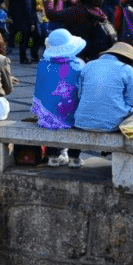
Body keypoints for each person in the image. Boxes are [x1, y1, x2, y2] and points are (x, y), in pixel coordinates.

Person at [31, 29, 87, 166]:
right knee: (78, 117)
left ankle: (52, 156)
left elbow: (38, 90)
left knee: (49, 113)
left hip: (50, 113)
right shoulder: (79, 65)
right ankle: (75, 158)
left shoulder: (43, 65)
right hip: (72, 113)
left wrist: (37, 110)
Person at [73, 42, 133, 143]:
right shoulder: (126, 69)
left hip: (81, 122)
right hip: (111, 125)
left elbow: (80, 95)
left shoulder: (88, 65)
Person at [44, 0, 112, 62]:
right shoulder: (96, 9)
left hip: (81, 51)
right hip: (94, 49)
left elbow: (52, 15)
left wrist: (49, 1)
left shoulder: (78, 12)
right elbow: (80, 7)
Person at [8, 0, 37, 64]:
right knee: (25, 40)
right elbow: (29, 10)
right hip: (26, 21)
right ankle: (24, 58)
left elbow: (11, 6)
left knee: (22, 40)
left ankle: (22, 57)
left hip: (18, 20)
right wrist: (32, 23)